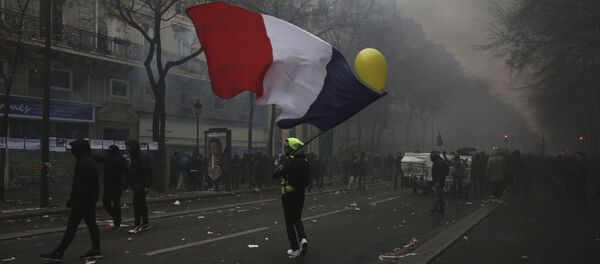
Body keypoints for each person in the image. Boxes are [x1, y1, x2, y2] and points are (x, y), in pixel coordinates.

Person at [40, 139, 103, 262]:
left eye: (74, 148)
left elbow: (81, 185)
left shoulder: (83, 163)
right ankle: (96, 250)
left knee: (72, 227)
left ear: (80, 150)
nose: (72, 151)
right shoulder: (89, 161)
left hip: (82, 201)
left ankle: (59, 252)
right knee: (91, 225)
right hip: (88, 200)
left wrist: (75, 200)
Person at [273, 138, 309, 258]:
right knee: (297, 219)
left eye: (286, 147)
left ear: (292, 148)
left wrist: (279, 164)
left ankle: (294, 248)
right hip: (300, 194)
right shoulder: (304, 160)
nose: (284, 148)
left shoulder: (288, 160)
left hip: (288, 194)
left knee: (289, 223)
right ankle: (303, 239)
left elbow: (275, 174)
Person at [95, 145, 128, 231]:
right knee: (106, 203)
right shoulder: (107, 158)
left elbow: (127, 172)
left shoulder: (121, 159)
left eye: (110, 150)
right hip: (108, 185)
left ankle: (117, 222)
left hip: (117, 185)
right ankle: (117, 217)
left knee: (116, 204)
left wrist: (125, 184)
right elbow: (98, 158)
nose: (108, 151)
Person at [126, 140, 153, 234]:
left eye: (128, 146)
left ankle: (137, 225)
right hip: (139, 184)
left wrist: (147, 185)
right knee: (141, 204)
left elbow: (147, 172)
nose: (127, 148)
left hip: (140, 185)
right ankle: (145, 224)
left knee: (137, 204)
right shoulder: (138, 156)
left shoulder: (140, 157)